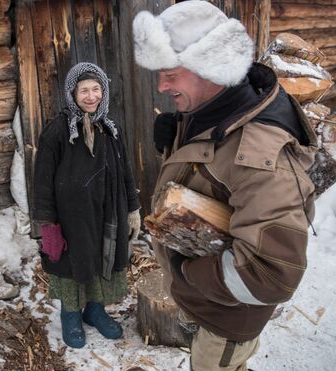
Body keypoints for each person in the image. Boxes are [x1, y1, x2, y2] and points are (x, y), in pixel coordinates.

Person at [133, 1, 318, 370]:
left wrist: (187, 273)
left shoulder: (262, 159)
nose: (161, 85)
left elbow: (272, 275)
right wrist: (175, 143)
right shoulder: (214, 108)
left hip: (228, 320)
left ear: (211, 68)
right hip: (207, 303)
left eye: (171, 73)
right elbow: (213, 173)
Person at [33, 62, 141, 349]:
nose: (91, 96)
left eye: (96, 89)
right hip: (72, 219)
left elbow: (126, 170)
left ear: (103, 92)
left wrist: (133, 208)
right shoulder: (57, 132)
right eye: (84, 90)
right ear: (72, 93)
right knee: (72, 265)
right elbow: (42, 181)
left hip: (108, 214)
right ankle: (70, 315)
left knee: (103, 260)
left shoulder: (110, 129)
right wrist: (48, 224)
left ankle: (95, 310)